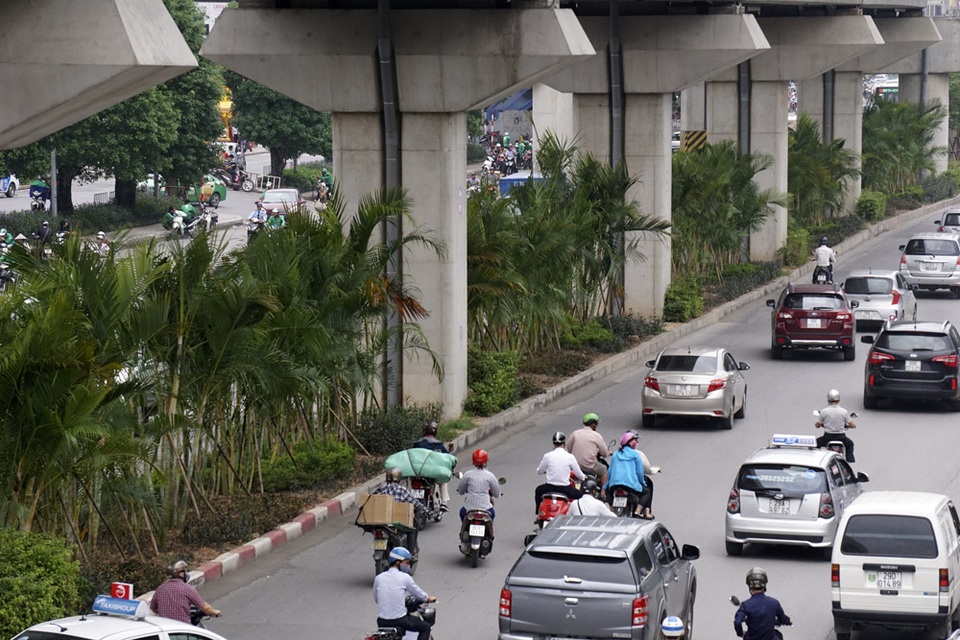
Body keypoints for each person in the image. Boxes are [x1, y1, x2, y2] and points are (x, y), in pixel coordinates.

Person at [372, 547, 436, 640]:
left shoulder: (379, 578)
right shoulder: (405, 577)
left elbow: (377, 599)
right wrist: (428, 598)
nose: (408, 565)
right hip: (400, 621)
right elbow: (418, 593)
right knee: (425, 627)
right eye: (406, 563)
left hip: (381, 622)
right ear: (398, 562)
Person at [372, 467, 430, 556]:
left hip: (382, 521)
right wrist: (425, 509)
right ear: (399, 479)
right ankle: (411, 553)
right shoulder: (402, 490)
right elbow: (414, 502)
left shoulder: (381, 489)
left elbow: (372, 499)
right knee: (412, 530)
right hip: (396, 521)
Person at [150, 559, 221, 624]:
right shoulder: (187, 589)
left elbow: (153, 608)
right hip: (183, 628)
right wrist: (215, 612)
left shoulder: (160, 589)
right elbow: (204, 607)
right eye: (185, 571)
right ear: (180, 573)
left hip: (166, 629)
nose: (186, 573)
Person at [605, 431, 654, 518]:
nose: (636, 442)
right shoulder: (635, 455)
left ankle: (612, 509)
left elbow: (610, 471)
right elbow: (640, 473)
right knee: (646, 492)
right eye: (634, 440)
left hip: (615, 485)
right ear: (630, 442)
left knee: (608, 491)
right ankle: (638, 511)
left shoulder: (616, 454)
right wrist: (642, 483)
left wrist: (607, 484)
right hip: (630, 485)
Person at [734, 567, 791, 640]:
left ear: (749, 585)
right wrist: (788, 621)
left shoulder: (745, 605)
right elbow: (783, 618)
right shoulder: (774, 602)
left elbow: (737, 622)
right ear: (764, 584)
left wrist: (741, 634)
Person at [534, 432, 584, 511]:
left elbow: (539, 471)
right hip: (565, 489)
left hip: (549, 488)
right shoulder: (570, 457)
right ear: (564, 444)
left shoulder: (547, 456)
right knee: (581, 496)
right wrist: (584, 477)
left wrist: (545, 471)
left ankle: (538, 513)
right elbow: (579, 474)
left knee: (538, 490)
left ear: (554, 444)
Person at [412, 420, 453, 511]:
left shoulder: (417, 444)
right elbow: (447, 456)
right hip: (433, 472)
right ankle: (444, 503)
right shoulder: (439, 444)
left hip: (418, 472)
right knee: (443, 482)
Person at [566, 412, 611, 487]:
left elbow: (569, 447)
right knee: (604, 470)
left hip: (575, 465)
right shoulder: (596, 435)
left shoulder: (575, 433)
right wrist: (608, 453)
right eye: (596, 424)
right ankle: (603, 494)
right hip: (589, 466)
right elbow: (604, 452)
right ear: (593, 424)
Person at [456, 449, 500, 522]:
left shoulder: (468, 474)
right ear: (486, 461)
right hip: (486, 508)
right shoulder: (490, 475)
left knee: (462, 513)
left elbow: (461, 491)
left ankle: (463, 532)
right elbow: (497, 494)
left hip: (469, 508)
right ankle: (490, 533)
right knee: (493, 514)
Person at [815, 388, 856, 462]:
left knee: (815, 444)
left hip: (827, 438)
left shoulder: (824, 411)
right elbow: (852, 425)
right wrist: (849, 425)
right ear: (838, 399)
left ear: (828, 399)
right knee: (850, 444)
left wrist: (821, 424)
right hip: (841, 438)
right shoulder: (844, 411)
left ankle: (817, 460)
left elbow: (817, 425)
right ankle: (849, 462)